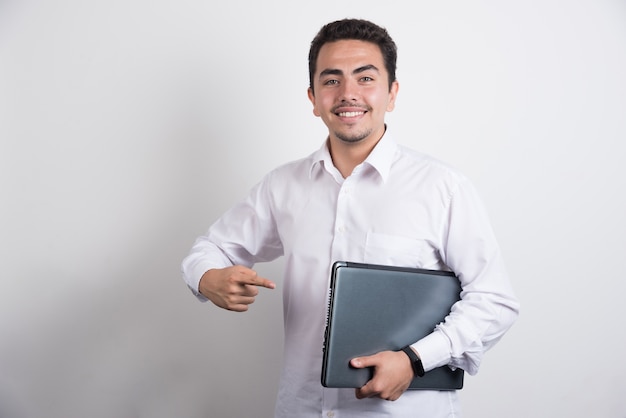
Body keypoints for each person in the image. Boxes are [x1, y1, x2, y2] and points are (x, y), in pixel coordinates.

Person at [182, 18, 520, 417]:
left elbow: (493, 300)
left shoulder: (443, 188)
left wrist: (415, 359)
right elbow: (211, 248)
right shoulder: (282, 186)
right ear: (313, 97)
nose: (348, 94)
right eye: (331, 80)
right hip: (302, 408)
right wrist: (208, 277)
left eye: (365, 78)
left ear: (392, 93)